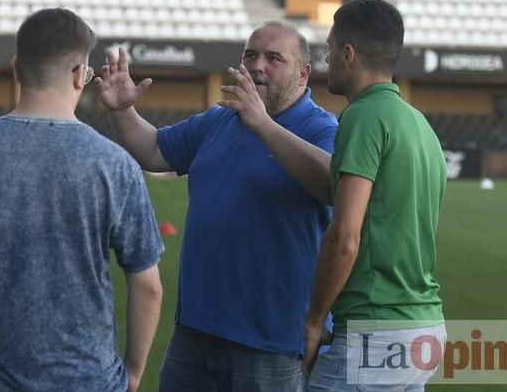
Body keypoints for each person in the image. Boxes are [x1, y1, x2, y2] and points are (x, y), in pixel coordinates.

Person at [0, 8, 164, 392]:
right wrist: (132, 372)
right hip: (88, 378)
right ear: (81, 75)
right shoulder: (114, 165)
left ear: (16, 68)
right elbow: (147, 286)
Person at [97, 20, 338, 392]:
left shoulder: (321, 127)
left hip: (271, 342)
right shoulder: (219, 120)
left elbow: (331, 184)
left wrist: (262, 124)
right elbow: (154, 149)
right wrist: (123, 111)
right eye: (251, 55)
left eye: (274, 58)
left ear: (303, 73)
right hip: (195, 331)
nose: (258, 65)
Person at [224, 0, 447, 391]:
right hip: (424, 328)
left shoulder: (362, 117)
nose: (326, 58)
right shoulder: (419, 125)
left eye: (329, 49)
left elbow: (345, 237)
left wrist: (313, 321)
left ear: (348, 54)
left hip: (373, 331)